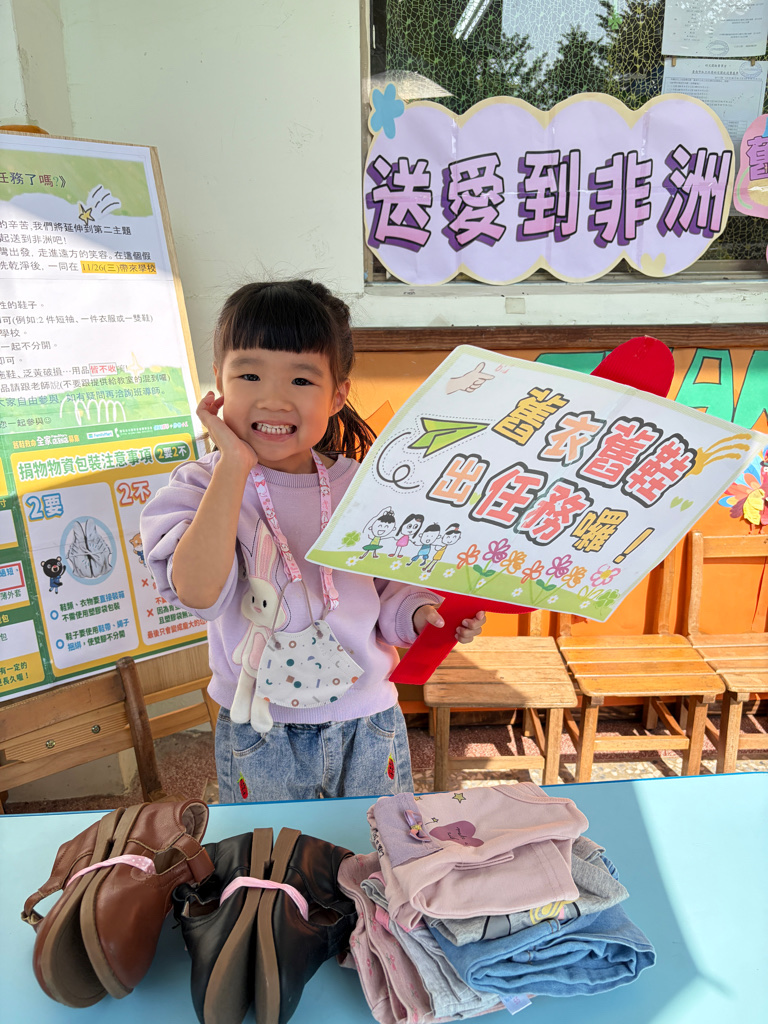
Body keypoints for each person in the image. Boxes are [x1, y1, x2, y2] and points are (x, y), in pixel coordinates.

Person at [140, 279, 485, 802]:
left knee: (376, 843)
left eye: (301, 379)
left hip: (367, 720)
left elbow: (390, 590)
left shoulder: (366, 486)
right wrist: (233, 465)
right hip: (258, 726)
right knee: (270, 849)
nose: (273, 399)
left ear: (337, 395)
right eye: (249, 375)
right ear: (218, 382)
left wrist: (421, 615)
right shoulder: (196, 486)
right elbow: (199, 593)